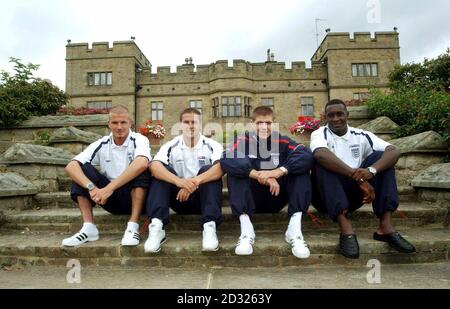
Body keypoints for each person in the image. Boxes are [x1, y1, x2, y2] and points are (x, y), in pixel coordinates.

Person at [310, 99, 416, 259]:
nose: (335, 119)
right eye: (330, 115)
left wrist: (371, 171)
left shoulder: (361, 135)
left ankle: (385, 227)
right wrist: (360, 179)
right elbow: (320, 154)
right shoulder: (320, 133)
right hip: (326, 198)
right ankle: (346, 229)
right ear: (326, 117)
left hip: (355, 195)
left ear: (347, 115)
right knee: (322, 162)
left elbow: (393, 151)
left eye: (339, 114)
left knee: (382, 158)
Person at [220, 106, 314, 258]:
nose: (264, 127)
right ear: (252, 124)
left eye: (268, 123)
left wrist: (276, 172)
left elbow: (305, 155)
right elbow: (227, 158)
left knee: (300, 170)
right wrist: (258, 175)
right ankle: (246, 231)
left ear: (274, 123)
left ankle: (294, 230)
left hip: (276, 197)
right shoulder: (243, 141)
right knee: (235, 172)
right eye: (259, 123)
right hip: (251, 199)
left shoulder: (282, 141)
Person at [62, 105, 151, 247]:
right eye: (115, 123)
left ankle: (132, 225)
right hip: (110, 200)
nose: (119, 127)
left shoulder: (139, 139)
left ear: (130, 123)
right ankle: (88, 227)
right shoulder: (101, 143)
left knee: (141, 168)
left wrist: (109, 187)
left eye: (123, 122)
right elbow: (71, 166)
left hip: (139, 200)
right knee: (82, 169)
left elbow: (142, 163)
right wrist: (92, 188)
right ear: (109, 124)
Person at [144, 108, 224, 253]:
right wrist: (179, 182)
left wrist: (192, 183)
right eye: (186, 122)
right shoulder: (171, 145)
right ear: (181, 125)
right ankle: (156, 226)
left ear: (201, 124)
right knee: (162, 172)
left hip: (204, 200)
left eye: (194, 122)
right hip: (179, 200)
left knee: (209, 169)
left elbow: (220, 170)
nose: (190, 125)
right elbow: (154, 167)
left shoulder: (212, 145)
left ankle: (209, 227)